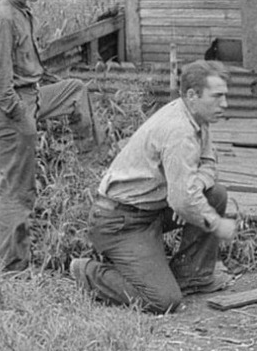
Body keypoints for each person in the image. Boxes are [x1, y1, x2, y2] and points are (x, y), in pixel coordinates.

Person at [69, 60, 237, 313]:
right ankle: (88, 271)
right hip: (119, 222)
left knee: (214, 195)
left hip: (152, 208)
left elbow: (209, 163)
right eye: (217, 96)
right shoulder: (179, 131)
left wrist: (193, 189)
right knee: (164, 301)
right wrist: (214, 222)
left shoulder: (196, 117)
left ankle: (193, 276)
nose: (224, 104)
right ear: (192, 95)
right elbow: (182, 200)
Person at [0, 0, 102, 273]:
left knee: (75, 90)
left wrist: (41, 91)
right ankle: (11, 268)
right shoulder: (4, 18)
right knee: (18, 190)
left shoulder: (23, 11)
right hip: (12, 111)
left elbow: (29, 68)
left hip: (31, 97)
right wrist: (25, 122)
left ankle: (91, 162)